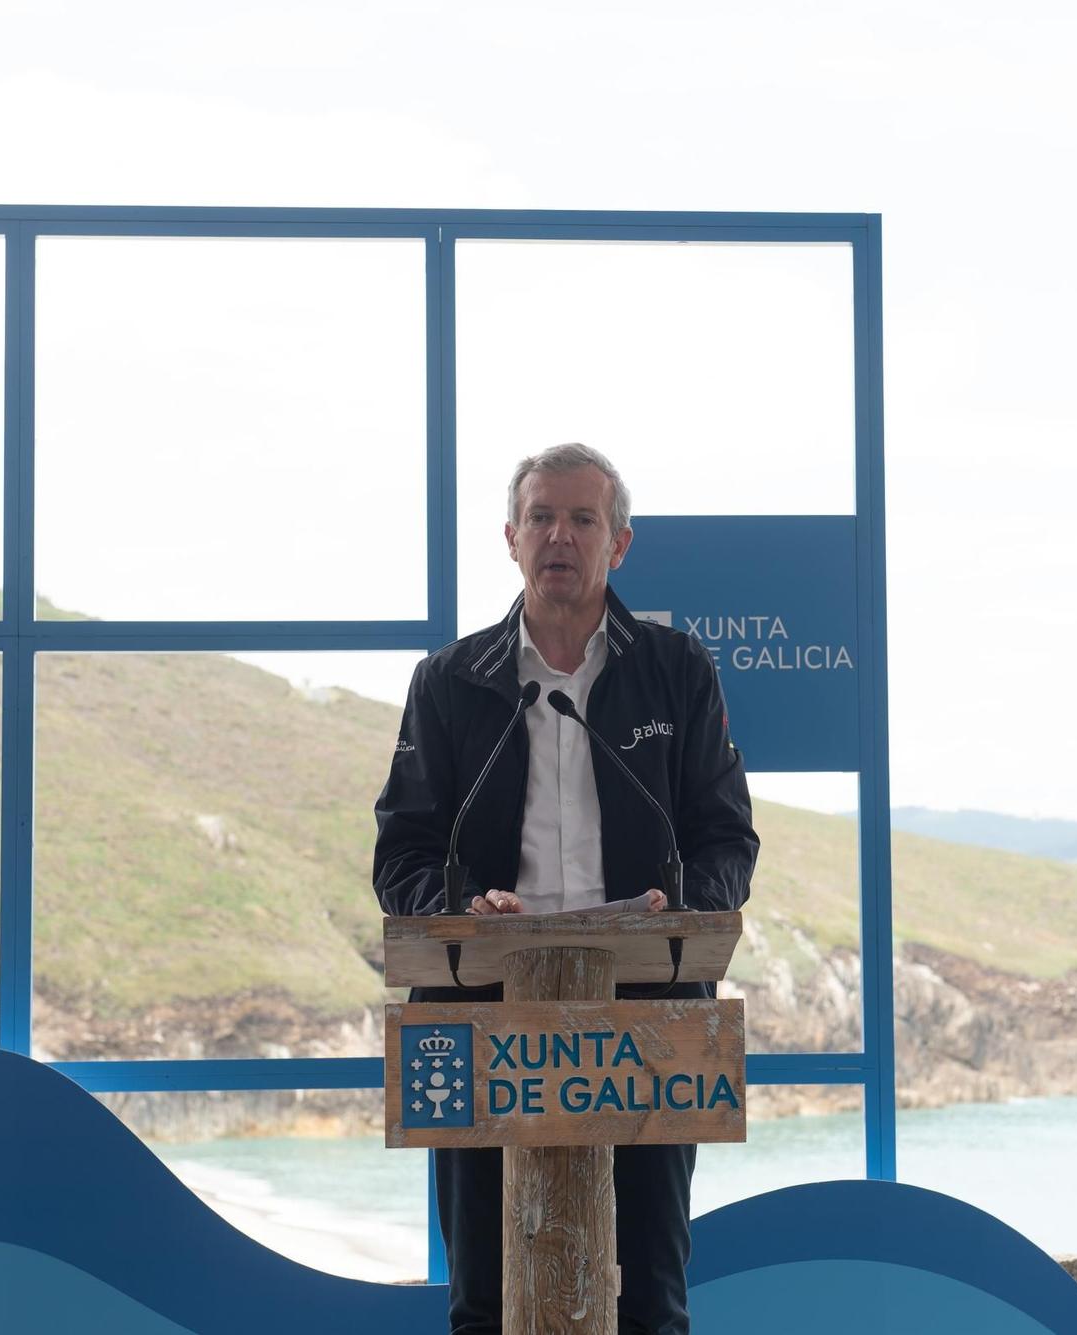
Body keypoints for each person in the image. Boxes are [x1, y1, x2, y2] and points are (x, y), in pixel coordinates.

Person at [373, 443, 758, 1335]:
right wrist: (459, 909)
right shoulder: (449, 683)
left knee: (652, 1300)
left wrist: (684, 900)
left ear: (619, 543)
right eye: (543, 516)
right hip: (484, 1027)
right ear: (510, 537)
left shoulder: (677, 670)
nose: (561, 535)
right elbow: (403, 853)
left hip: (647, 1026)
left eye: (584, 518)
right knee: (484, 1302)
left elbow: (726, 836)